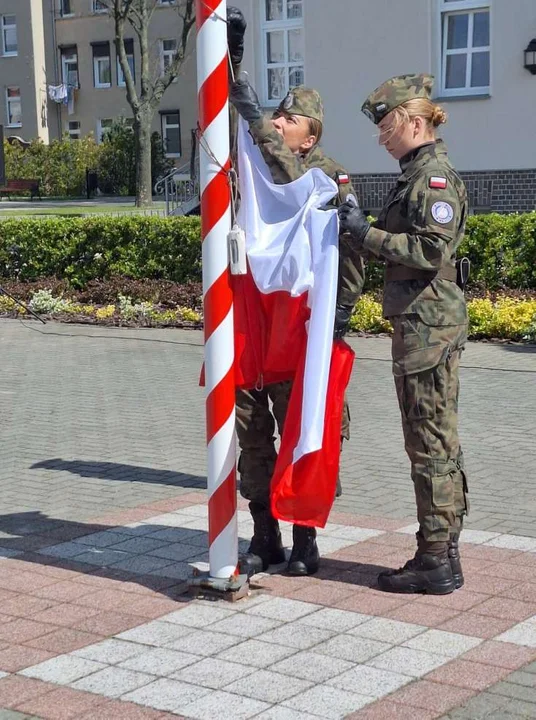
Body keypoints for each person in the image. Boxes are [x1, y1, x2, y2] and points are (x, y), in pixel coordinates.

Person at [227, 10, 365, 578]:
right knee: (252, 435)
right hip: (255, 330)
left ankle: (305, 538)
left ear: (310, 135)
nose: (279, 123)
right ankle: (265, 534)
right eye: (276, 115)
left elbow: (345, 255)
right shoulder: (257, 170)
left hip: (301, 331)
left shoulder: (324, 177)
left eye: (289, 119)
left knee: (304, 431)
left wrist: (338, 319)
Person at [338, 74, 469, 595]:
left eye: (387, 125)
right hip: (424, 324)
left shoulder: (432, 178)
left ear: (416, 122)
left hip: (428, 328)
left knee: (430, 442)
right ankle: (444, 552)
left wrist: (362, 232)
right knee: (435, 439)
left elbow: (429, 252)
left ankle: (436, 558)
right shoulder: (414, 175)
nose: (381, 136)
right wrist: (364, 229)